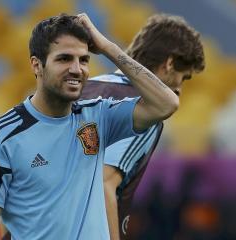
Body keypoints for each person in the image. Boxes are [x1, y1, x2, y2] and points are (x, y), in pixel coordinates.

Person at [0, 13, 180, 239]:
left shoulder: (99, 115)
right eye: (64, 59)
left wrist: (108, 47)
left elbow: (166, 104)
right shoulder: (0, 136)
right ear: (37, 65)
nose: (76, 69)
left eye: (84, 59)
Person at [81, 14, 205, 240]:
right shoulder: (144, 109)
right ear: (169, 63)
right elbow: (103, 182)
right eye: (183, 77)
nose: (180, 88)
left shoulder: (85, 87)